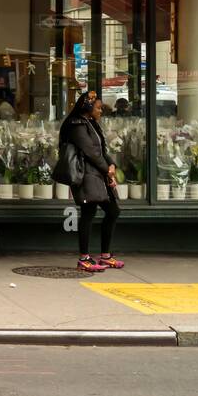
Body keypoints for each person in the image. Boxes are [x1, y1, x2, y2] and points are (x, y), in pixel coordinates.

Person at [59, 92, 124, 273]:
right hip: (86, 176)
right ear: (87, 107)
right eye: (98, 107)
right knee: (88, 213)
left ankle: (105, 255)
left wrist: (111, 165)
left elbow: (100, 150)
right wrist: (107, 169)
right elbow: (90, 151)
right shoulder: (76, 125)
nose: (101, 111)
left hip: (98, 175)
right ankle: (84, 258)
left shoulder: (91, 124)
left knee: (113, 211)